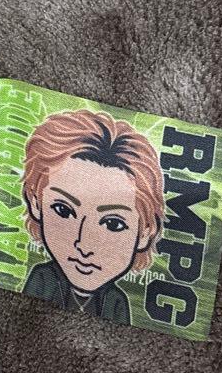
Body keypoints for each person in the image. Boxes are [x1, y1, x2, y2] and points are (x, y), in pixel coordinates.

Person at [21, 110, 165, 326]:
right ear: (35, 202)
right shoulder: (43, 279)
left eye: (113, 224)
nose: (84, 245)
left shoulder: (116, 301)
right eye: (63, 210)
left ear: (145, 232)